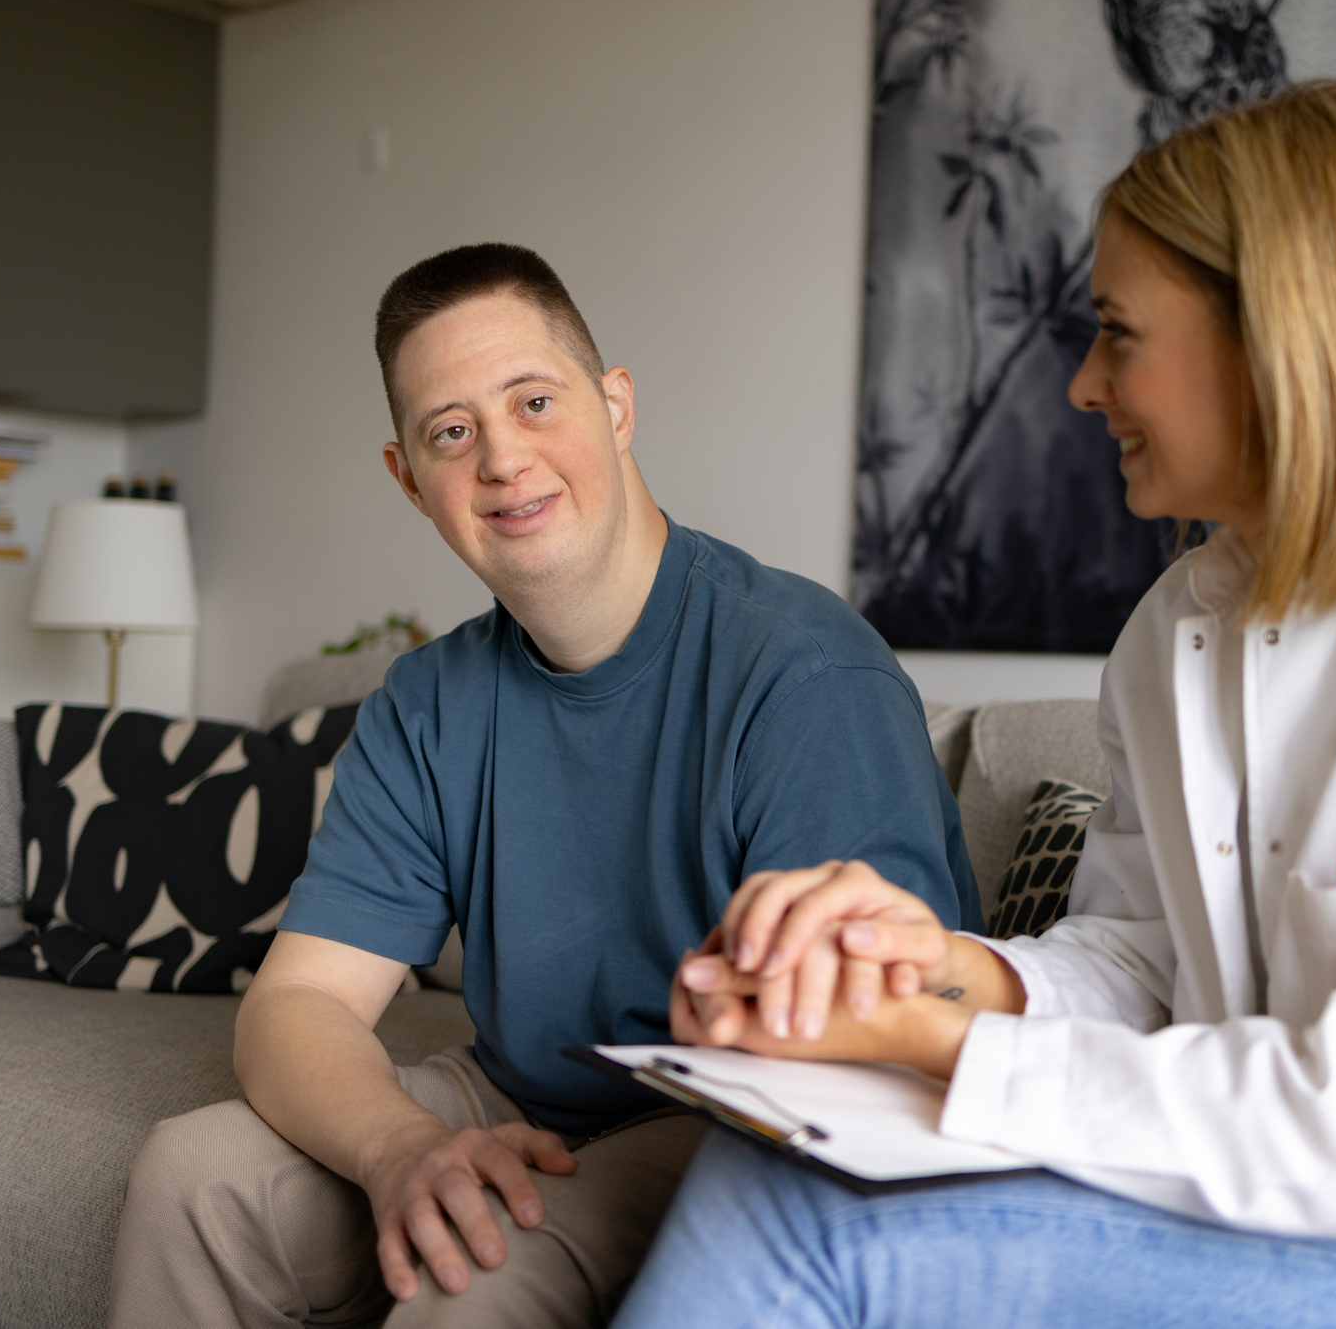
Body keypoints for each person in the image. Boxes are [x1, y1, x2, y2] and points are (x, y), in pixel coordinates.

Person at [621, 82, 1336, 1329]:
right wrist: (929, 970)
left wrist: (932, 1043)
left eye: (1116, 333)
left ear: (1283, 338)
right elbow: (1144, 956)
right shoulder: (1177, 626)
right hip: (1259, 1196)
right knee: (766, 1152)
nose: (1082, 386)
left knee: (799, 1221)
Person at [107, 243, 983, 1329]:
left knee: (478, 1266)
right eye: (450, 431)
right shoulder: (426, 702)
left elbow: (878, 1047)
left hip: (738, 1116)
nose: (502, 459)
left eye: (533, 401)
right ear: (408, 479)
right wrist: (399, 1147)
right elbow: (300, 1002)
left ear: (615, 407)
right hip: (517, 1096)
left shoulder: (803, 672)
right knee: (195, 1174)